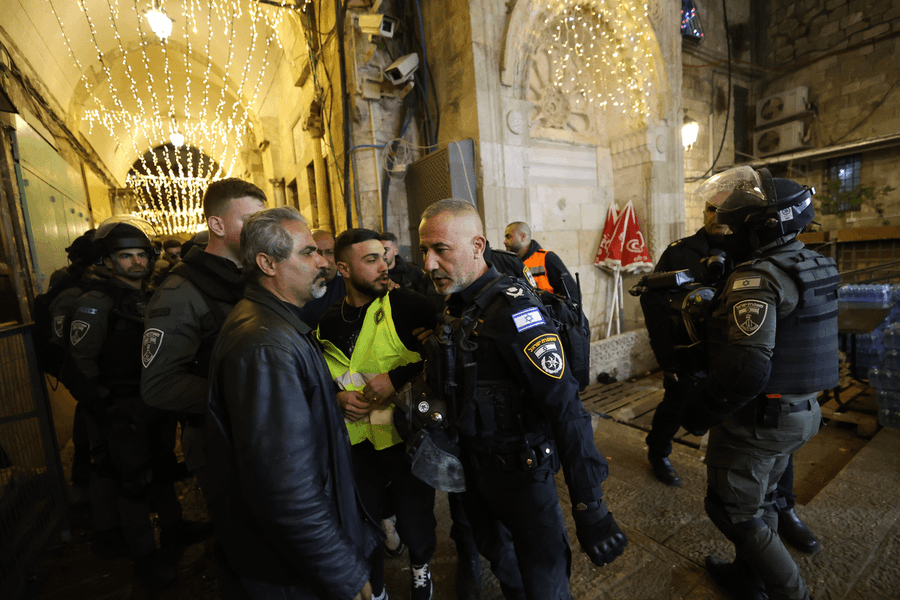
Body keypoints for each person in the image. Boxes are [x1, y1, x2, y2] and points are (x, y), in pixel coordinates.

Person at [419, 199, 627, 600]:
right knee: (500, 559)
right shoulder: (457, 305)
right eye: (424, 250)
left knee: (545, 581)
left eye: (440, 250)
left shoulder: (515, 313)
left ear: (478, 246)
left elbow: (566, 410)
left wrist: (590, 506)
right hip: (473, 471)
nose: (428, 264)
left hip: (523, 477)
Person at [680, 167, 838, 600]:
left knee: (733, 510)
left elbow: (746, 368)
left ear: (765, 224)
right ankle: (747, 578)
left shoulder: (758, 277)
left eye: (740, 219)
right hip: (802, 412)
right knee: (762, 501)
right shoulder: (813, 261)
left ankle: (793, 594)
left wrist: (698, 411)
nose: (728, 228)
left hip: (760, 421)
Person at [205, 206, 379, 600]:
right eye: (308, 253)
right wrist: (343, 572)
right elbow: (285, 487)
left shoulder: (277, 326)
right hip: (287, 571)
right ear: (267, 263)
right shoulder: (265, 344)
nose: (323, 262)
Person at [62, 217, 208, 591]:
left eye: (141, 254)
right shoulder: (96, 302)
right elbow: (80, 365)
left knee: (160, 469)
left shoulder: (154, 295)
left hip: (153, 402)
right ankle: (145, 559)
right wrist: (104, 410)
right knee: (134, 482)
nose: (136, 262)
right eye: (126, 256)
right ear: (108, 261)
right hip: (120, 408)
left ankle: (174, 529)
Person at [317, 228, 438, 600]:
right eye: (370, 260)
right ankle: (377, 590)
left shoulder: (411, 306)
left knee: (416, 515)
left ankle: (421, 568)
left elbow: (442, 359)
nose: (384, 265)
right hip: (357, 445)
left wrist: (396, 378)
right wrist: (337, 399)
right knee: (365, 521)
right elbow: (319, 376)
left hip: (407, 439)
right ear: (343, 268)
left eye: (383, 257)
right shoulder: (326, 322)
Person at [142, 178, 266, 496]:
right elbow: (160, 386)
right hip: (220, 441)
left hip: (261, 433)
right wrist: (244, 395)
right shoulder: (179, 291)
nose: (261, 231)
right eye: (249, 222)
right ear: (217, 225)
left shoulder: (253, 276)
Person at [641, 195, 731, 487]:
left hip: (729, 349)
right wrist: (667, 358)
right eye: (711, 209)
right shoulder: (679, 252)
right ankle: (658, 453)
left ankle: (724, 465)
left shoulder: (748, 251)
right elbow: (652, 303)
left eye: (725, 211)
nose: (717, 216)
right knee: (675, 404)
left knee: (730, 406)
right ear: (704, 213)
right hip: (686, 353)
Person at [503, 221, 573, 296]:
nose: (504, 241)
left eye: (508, 237)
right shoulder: (508, 263)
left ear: (523, 237)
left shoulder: (547, 258)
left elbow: (572, 295)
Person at [295, 229, 347, 327]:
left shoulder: (349, 286)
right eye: (317, 253)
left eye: (329, 252)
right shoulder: (297, 290)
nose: (324, 260)